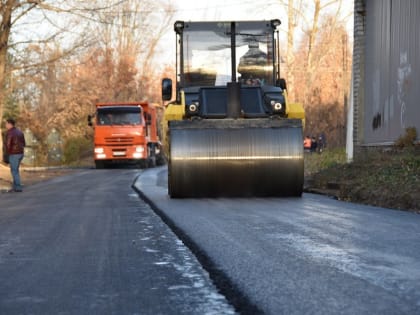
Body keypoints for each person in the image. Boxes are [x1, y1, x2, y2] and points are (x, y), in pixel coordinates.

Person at [5, 118, 26, 192]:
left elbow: (8, 145)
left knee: (14, 171)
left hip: (13, 154)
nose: (5, 125)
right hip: (21, 153)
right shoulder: (20, 132)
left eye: (6, 123)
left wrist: (6, 155)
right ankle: (15, 186)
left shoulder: (10, 133)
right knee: (15, 170)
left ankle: (18, 187)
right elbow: (24, 143)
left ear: (10, 124)